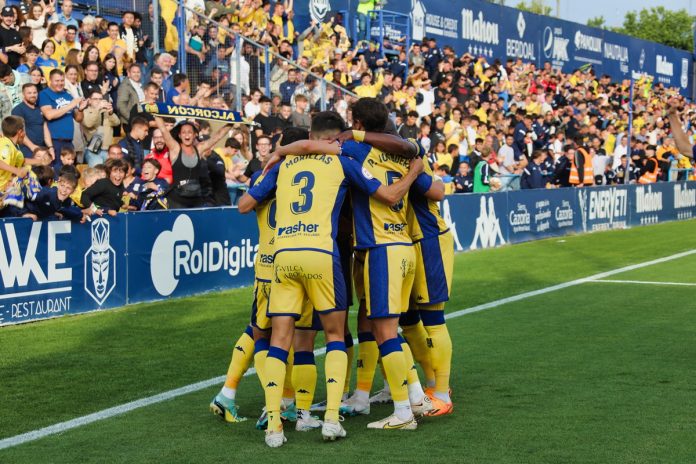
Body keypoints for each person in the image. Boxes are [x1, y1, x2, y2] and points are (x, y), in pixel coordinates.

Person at [238, 110, 423, 447]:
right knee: (336, 335)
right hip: (324, 254)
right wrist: (412, 172)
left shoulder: (281, 165)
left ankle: (275, 426)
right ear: (331, 139)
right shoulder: (344, 161)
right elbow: (388, 195)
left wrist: (278, 154)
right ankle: (333, 418)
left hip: (282, 256)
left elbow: (243, 204)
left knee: (281, 340)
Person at [152, 117, 231, 209]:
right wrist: (155, 112)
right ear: (179, 135)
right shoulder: (175, 148)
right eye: (184, 132)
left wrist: (232, 121)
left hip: (195, 197)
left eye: (190, 132)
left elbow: (217, 137)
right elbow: (163, 130)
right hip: (178, 199)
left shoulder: (199, 149)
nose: (187, 135)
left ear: (194, 135)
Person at [39, 69, 87, 171]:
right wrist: (71, 105)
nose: (60, 83)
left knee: (69, 173)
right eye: (57, 81)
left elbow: (78, 118)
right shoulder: (44, 94)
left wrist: (81, 109)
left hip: (69, 141)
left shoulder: (67, 95)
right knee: (56, 172)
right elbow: (49, 115)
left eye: (62, 80)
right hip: (54, 141)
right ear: (50, 80)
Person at [81, 89, 121, 166]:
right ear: (89, 101)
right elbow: (88, 124)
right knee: (98, 170)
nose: (98, 101)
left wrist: (111, 113)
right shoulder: (85, 112)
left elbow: (117, 123)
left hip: (107, 150)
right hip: (92, 150)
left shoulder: (106, 112)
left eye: (100, 99)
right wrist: (97, 109)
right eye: (95, 99)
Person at [11, 83, 50, 159]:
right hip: (27, 149)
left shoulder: (40, 108)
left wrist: (49, 147)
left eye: (34, 92)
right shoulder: (18, 110)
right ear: (23, 94)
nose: (33, 95)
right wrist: (34, 148)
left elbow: (45, 128)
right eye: (29, 93)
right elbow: (19, 133)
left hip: (42, 148)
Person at [117, 63, 144, 130]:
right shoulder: (125, 86)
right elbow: (120, 105)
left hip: (140, 121)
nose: (136, 74)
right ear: (129, 73)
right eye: (134, 72)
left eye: (138, 72)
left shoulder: (140, 85)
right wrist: (131, 118)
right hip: (130, 123)